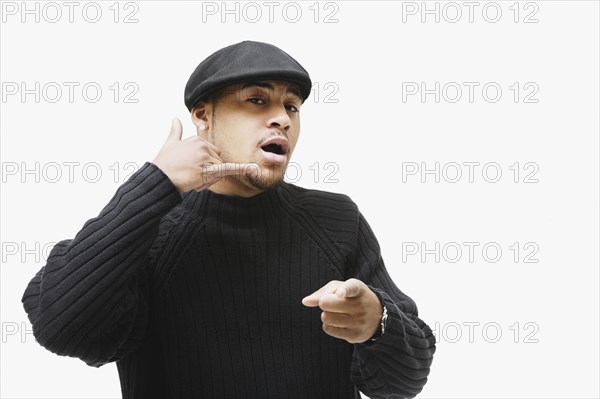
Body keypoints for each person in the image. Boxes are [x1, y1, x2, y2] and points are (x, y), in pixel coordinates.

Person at [22, 40, 436, 398]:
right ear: (202, 116)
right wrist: (157, 182)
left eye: (291, 105)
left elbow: (403, 383)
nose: (283, 118)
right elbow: (62, 328)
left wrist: (377, 322)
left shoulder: (337, 220)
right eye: (258, 100)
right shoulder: (147, 230)